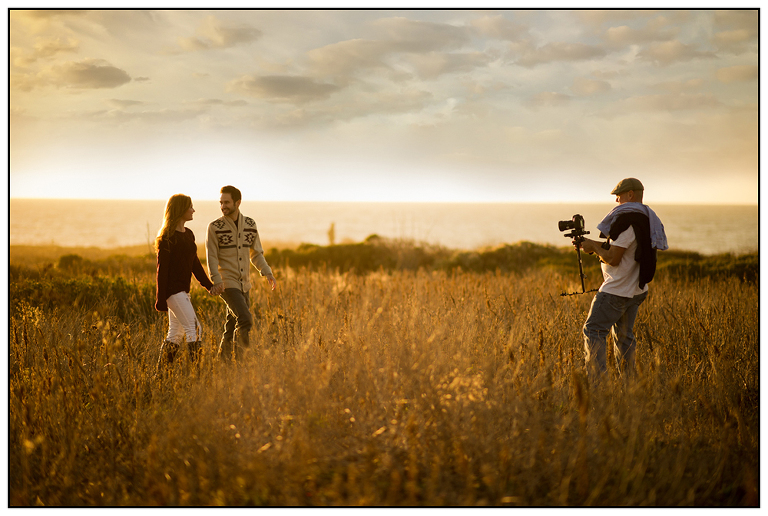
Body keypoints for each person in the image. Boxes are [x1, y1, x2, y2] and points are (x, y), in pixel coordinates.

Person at [574, 178, 668, 379]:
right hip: (636, 290)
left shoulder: (627, 222)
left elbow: (614, 259)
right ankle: (629, 386)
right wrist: (594, 245)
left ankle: (596, 384)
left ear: (630, 195)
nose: (616, 200)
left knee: (593, 331)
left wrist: (595, 248)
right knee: (624, 338)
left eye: (619, 195)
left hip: (617, 290)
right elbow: (624, 250)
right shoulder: (646, 220)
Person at [206, 185, 277, 361]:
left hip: (245, 284)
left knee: (230, 326)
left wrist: (267, 272)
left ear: (238, 202)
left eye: (227, 202)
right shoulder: (214, 227)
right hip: (226, 283)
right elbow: (211, 257)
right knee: (245, 319)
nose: (223, 206)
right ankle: (241, 359)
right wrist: (216, 281)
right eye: (221, 202)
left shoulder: (250, 224)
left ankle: (222, 363)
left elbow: (256, 253)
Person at [154, 194, 217, 371]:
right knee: (195, 330)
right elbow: (162, 270)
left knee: (176, 333)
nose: (193, 210)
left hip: (183, 291)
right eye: (190, 206)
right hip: (173, 292)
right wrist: (161, 299)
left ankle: (161, 375)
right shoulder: (167, 237)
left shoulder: (188, 234)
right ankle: (198, 374)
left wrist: (209, 286)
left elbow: (194, 264)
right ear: (181, 209)